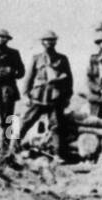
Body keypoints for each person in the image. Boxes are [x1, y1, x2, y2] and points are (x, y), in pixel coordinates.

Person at [16, 30, 74, 160]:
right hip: (38, 96)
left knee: (56, 125)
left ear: (55, 42)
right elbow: (28, 79)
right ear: (42, 42)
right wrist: (25, 95)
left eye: (52, 40)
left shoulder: (62, 59)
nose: (49, 42)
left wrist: (67, 97)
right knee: (25, 122)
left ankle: (58, 154)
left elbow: (69, 80)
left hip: (55, 97)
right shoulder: (36, 58)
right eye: (47, 40)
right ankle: (11, 148)